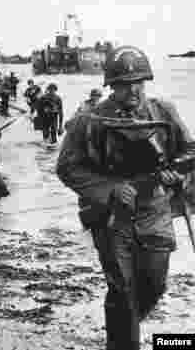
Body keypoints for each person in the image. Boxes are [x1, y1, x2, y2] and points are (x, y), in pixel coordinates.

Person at [56, 46, 195, 350]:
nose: (133, 90)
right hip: (111, 216)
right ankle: (123, 343)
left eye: (139, 82)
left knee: (155, 285)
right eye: (124, 84)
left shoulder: (162, 112)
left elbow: (190, 151)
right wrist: (110, 190)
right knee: (122, 288)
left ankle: (123, 328)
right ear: (111, 86)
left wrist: (176, 174)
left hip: (154, 209)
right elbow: (67, 167)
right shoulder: (88, 120)